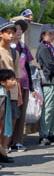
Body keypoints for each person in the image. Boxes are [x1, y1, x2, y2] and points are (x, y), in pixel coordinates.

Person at [11, 19, 39, 151]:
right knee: (11, 114)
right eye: (15, 29)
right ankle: (6, 142)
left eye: (20, 29)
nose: (18, 31)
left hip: (24, 84)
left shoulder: (23, 46)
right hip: (10, 85)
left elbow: (28, 66)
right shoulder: (7, 47)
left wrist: (32, 87)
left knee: (21, 114)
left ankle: (18, 141)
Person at [0, 19, 23, 161]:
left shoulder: (14, 52)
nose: (11, 35)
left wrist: (19, 94)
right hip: (1, 92)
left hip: (11, 92)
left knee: (8, 124)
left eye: (13, 33)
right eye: (8, 32)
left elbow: (17, 75)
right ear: (1, 34)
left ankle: (3, 152)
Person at [0, 66, 16, 165]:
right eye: (12, 79)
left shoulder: (6, 91)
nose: (14, 81)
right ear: (3, 82)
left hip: (3, 119)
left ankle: (2, 156)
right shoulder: (1, 94)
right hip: (1, 119)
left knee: (4, 135)